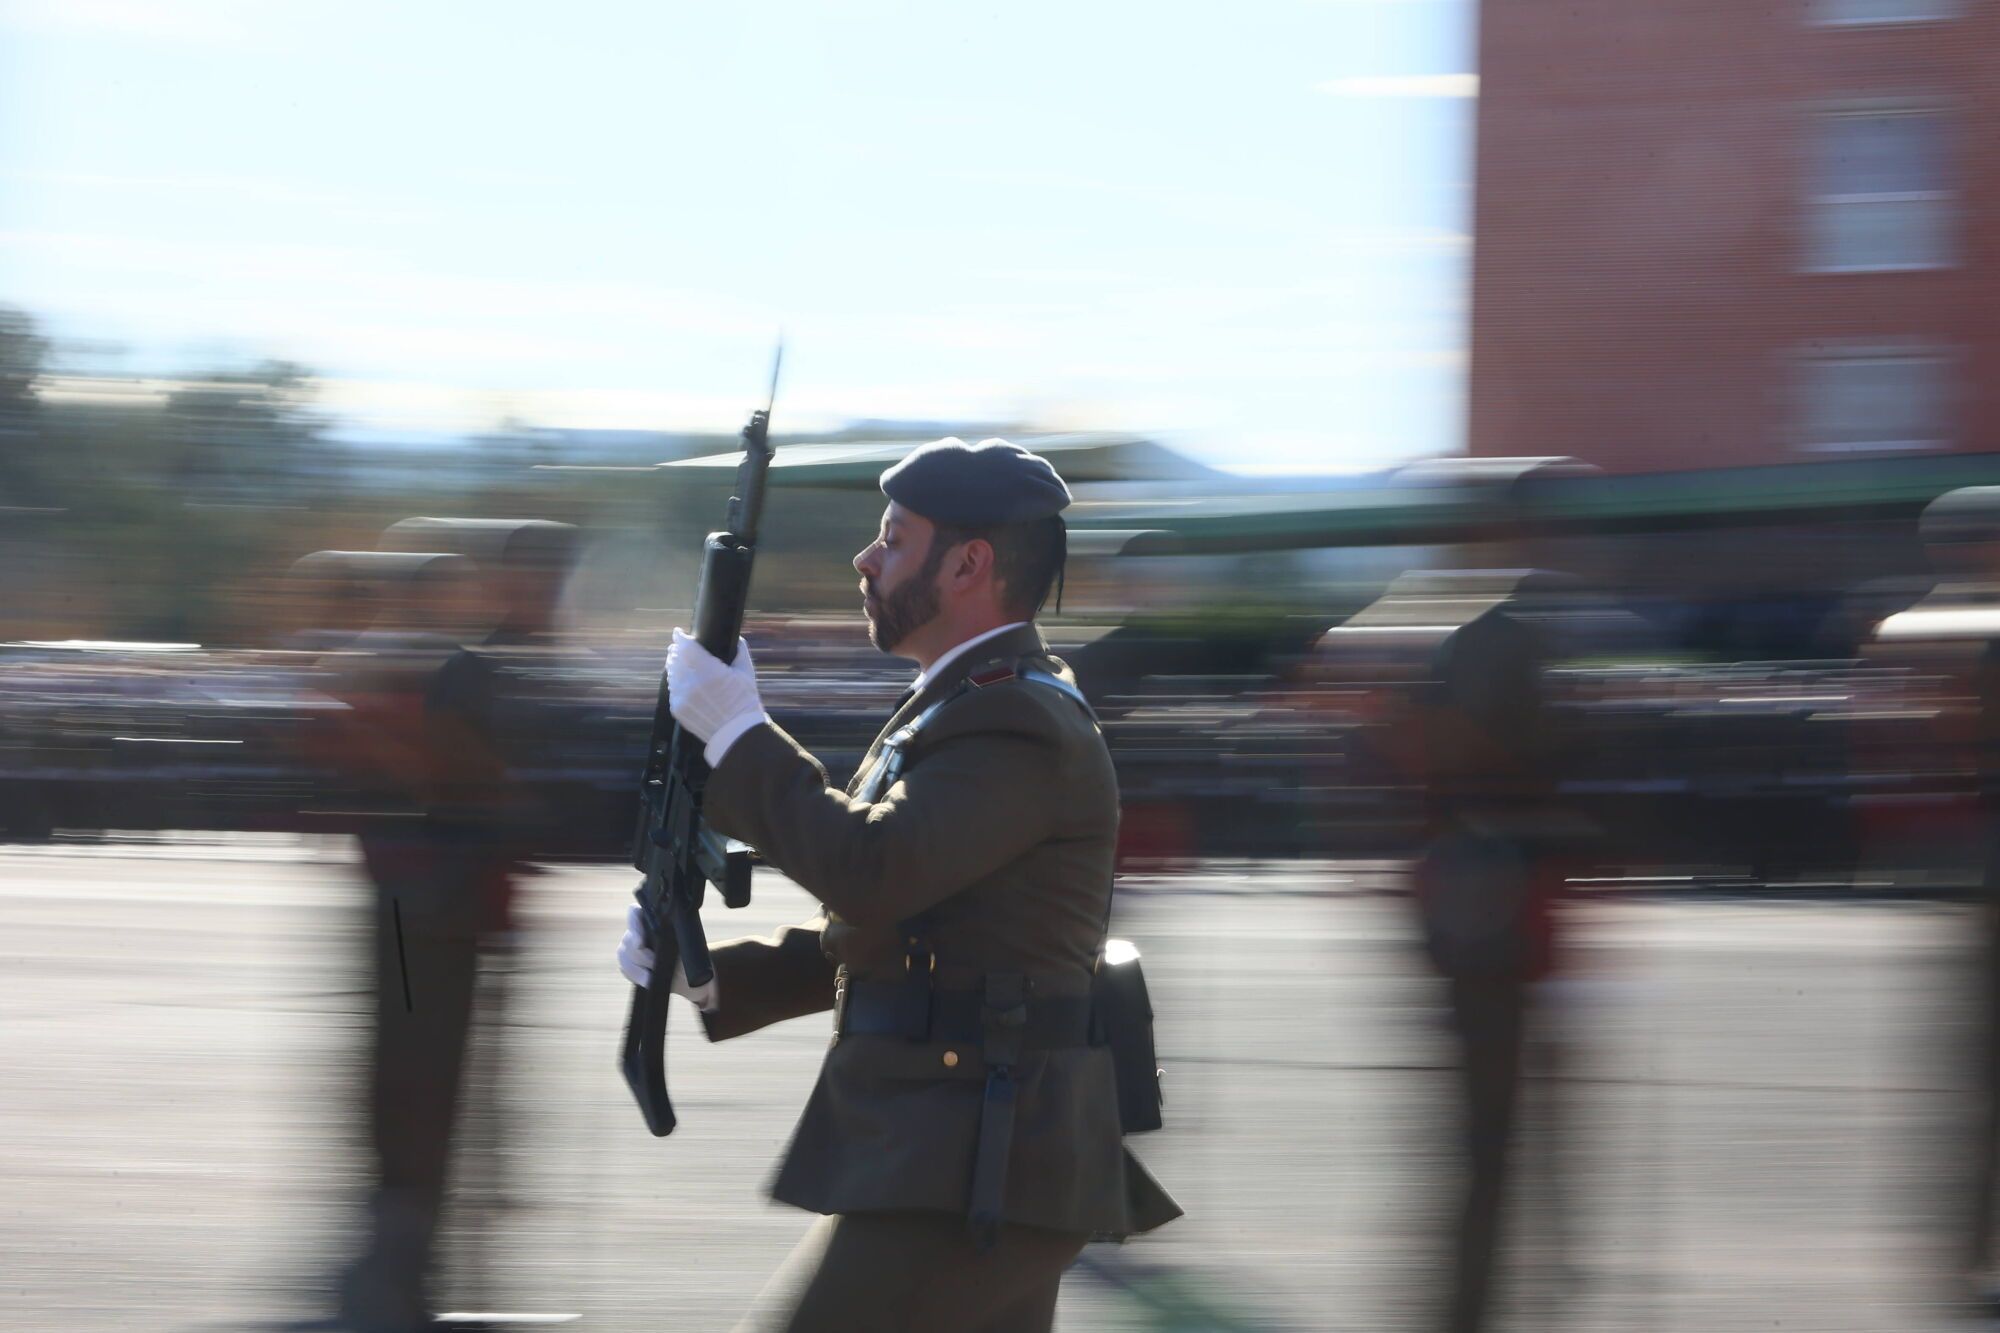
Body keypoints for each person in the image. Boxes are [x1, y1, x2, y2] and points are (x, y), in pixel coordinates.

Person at [619, 437, 1178, 1332]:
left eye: (893, 537)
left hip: (970, 1160)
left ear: (968, 563)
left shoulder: (1015, 717)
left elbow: (873, 870)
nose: (866, 558)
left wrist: (738, 733)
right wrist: (716, 974)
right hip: (961, 1151)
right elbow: (907, 926)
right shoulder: (962, 703)